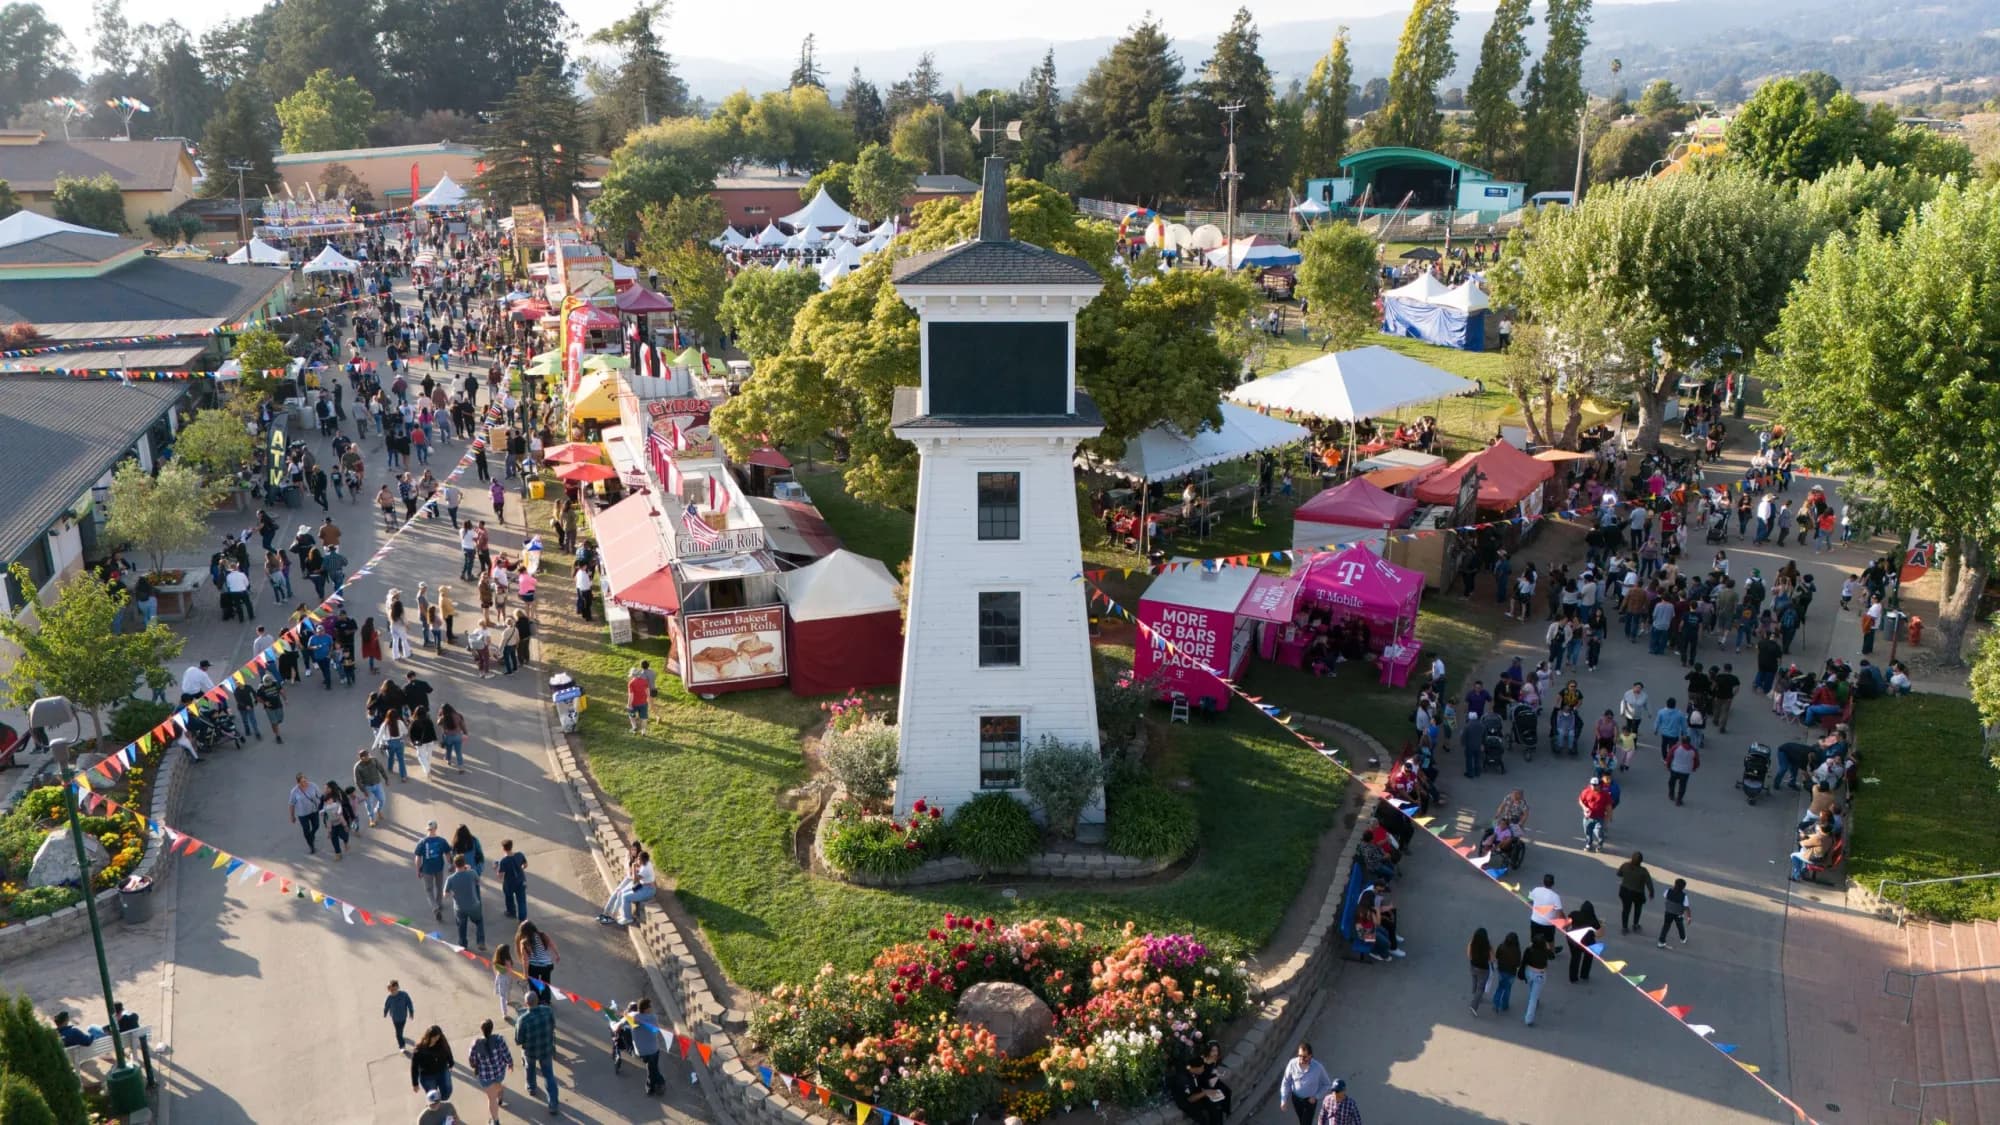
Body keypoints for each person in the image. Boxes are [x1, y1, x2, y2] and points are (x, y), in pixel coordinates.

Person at [513, 988, 559, 1114]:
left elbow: (518, 1040)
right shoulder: (548, 1011)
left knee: (529, 1068)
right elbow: (553, 1026)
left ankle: (532, 1087)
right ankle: (553, 1104)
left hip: (531, 1051)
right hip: (546, 1049)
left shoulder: (522, 1020)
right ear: (537, 1000)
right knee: (549, 1075)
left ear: (526, 1003)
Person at [467, 1017, 514, 1122]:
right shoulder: (499, 1039)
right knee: (498, 1084)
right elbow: (506, 1053)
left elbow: (471, 1059)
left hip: (485, 1076)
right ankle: (500, 1097)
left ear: (481, 1029)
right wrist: (510, 1063)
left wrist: (475, 1066)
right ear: (492, 1028)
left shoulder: (475, 1044)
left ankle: (495, 1121)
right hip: (499, 1071)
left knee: (491, 1098)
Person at [1279, 1042, 1335, 1125]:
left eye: (1304, 1057)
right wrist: (1283, 1099)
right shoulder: (1292, 1064)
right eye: (1299, 1056)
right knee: (1301, 1119)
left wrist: (1316, 1096)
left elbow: (1327, 1084)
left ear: (1310, 1056)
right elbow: (1286, 1082)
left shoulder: (1318, 1068)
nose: (1301, 1059)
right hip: (1296, 1099)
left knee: (1306, 1123)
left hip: (1310, 1102)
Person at [1170, 1055, 1226, 1125]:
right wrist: (1205, 1093)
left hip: (1196, 1093)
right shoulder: (1184, 1079)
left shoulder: (1194, 1071)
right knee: (1202, 1117)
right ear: (1195, 1068)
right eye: (1202, 1068)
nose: (1203, 1069)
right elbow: (1190, 1099)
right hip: (1187, 1102)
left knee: (1216, 1106)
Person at [445, 855, 487, 949]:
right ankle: (480, 941)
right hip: (473, 905)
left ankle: (463, 944)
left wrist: (452, 893)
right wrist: (469, 870)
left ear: (455, 864)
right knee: (479, 921)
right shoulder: (472, 873)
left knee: (461, 926)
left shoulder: (450, 879)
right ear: (464, 863)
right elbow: (478, 882)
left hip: (460, 907)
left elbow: (445, 894)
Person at [627, 998, 666, 1095]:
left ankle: (654, 1085)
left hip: (641, 1050)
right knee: (653, 1068)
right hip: (653, 1049)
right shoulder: (652, 1018)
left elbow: (628, 1015)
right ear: (646, 1009)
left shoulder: (632, 1017)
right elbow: (655, 1030)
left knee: (652, 1067)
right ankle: (655, 1085)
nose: (651, 1008)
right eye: (650, 1006)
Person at [414, 820, 451, 921]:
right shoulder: (442, 841)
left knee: (429, 890)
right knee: (439, 887)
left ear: (427, 829)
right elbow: (448, 854)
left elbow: (418, 858)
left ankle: (435, 908)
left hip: (427, 870)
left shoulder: (422, 842)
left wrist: (418, 870)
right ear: (436, 828)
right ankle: (439, 904)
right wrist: (450, 864)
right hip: (439, 868)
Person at [409, 1024, 455, 1100]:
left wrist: (451, 1063)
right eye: (434, 1037)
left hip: (442, 1071)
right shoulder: (419, 1049)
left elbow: (448, 1050)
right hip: (428, 1076)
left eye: (438, 1037)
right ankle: (435, 1104)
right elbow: (414, 1067)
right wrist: (415, 1083)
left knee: (447, 1092)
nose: (436, 1040)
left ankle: (441, 1100)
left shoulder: (442, 1042)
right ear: (428, 1036)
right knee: (433, 1097)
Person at [1617, 851, 1655, 934]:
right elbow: (1649, 883)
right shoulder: (1643, 871)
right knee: (1638, 909)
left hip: (1625, 890)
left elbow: (1619, 874)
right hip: (1638, 893)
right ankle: (1635, 924)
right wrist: (1651, 892)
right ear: (1641, 861)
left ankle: (1624, 927)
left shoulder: (1625, 865)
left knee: (1626, 909)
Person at [1564, 900, 1603, 982]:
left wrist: (1567, 931)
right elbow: (1599, 935)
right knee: (1588, 957)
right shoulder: (1593, 920)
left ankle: (1573, 978)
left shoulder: (1574, 914)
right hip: (1587, 942)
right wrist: (1601, 925)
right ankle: (1584, 975)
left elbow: (1566, 925)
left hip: (1573, 940)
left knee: (1575, 958)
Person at [1520, 934, 1553, 1026]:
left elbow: (1524, 960)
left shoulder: (1529, 950)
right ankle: (1529, 1019)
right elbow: (1552, 956)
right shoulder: (1545, 951)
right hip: (1540, 974)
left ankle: (1535, 998)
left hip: (1529, 971)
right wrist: (1548, 948)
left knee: (1532, 988)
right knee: (1533, 998)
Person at [517, 920, 559, 988]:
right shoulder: (542, 935)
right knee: (546, 985)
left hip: (534, 967)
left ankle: (536, 992)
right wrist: (557, 955)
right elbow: (552, 945)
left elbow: (525, 960)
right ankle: (545, 993)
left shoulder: (524, 942)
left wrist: (525, 974)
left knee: (533, 986)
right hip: (547, 965)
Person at [286, 773, 321, 854]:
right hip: (302, 814)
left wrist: (323, 806)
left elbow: (320, 796)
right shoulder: (294, 791)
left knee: (316, 826)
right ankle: (311, 846)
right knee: (306, 830)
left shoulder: (313, 786)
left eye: (305, 780)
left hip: (313, 810)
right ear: (298, 783)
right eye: (302, 782)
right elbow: (291, 804)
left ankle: (312, 835)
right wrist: (292, 816)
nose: (305, 783)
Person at [1664, 735, 1701, 805]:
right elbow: (1697, 762)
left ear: (1681, 741)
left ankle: (1671, 794)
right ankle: (1679, 800)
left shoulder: (1676, 747)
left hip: (1675, 769)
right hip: (1686, 771)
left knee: (1671, 782)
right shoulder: (1693, 750)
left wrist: (1668, 765)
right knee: (1682, 785)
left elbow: (1669, 756)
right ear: (1689, 742)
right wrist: (1694, 768)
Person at [1528, 873, 1561, 949]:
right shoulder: (1555, 896)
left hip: (1535, 921)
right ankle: (1551, 952)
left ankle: (1530, 951)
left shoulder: (1536, 889)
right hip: (1548, 924)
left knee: (1533, 940)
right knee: (1550, 941)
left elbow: (1530, 900)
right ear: (1553, 883)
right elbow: (1559, 914)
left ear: (1543, 882)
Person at [497, 839, 528, 920]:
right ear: (511, 846)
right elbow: (525, 865)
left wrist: (496, 868)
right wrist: (520, 869)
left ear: (503, 848)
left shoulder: (503, 861)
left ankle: (511, 912)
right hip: (521, 881)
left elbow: (500, 875)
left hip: (509, 884)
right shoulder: (520, 855)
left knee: (509, 898)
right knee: (521, 901)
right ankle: (522, 919)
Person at [1658, 878, 1693, 947]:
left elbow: (1665, 896)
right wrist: (1689, 917)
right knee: (1680, 926)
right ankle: (1683, 938)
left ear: (1675, 884)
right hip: (1678, 914)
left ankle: (1661, 942)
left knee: (1666, 926)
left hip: (1668, 912)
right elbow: (1686, 907)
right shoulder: (1684, 896)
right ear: (1683, 887)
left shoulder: (1668, 891)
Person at [1467, 928, 1494, 1015]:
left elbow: (1469, 955)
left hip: (1473, 966)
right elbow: (1492, 959)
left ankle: (1476, 995)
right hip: (1483, 969)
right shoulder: (1488, 946)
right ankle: (1474, 1005)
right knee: (1481, 988)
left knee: (1475, 981)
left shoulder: (1472, 943)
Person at [384, 981, 416, 1050]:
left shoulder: (404, 995)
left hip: (403, 1017)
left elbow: (409, 1003)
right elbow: (387, 1006)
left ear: (398, 988)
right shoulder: (389, 998)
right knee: (398, 1033)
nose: (393, 992)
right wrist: (385, 1012)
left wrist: (411, 1012)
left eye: (394, 989)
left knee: (400, 1030)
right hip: (395, 1018)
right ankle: (402, 1045)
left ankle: (401, 1037)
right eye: (391, 990)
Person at [438, 703, 469, 771]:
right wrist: (465, 733)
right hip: (458, 736)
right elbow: (462, 725)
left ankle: (449, 760)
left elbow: (438, 723)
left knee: (449, 750)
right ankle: (461, 767)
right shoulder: (458, 715)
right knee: (458, 752)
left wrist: (440, 715)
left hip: (448, 737)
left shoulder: (443, 717)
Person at [627, 666, 650, 733]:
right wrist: (647, 699)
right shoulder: (644, 681)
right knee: (644, 718)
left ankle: (634, 727)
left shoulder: (631, 683)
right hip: (643, 703)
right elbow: (648, 692)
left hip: (634, 704)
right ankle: (643, 731)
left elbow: (631, 695)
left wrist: (629, 704)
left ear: (632, 675)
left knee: (631, 715)